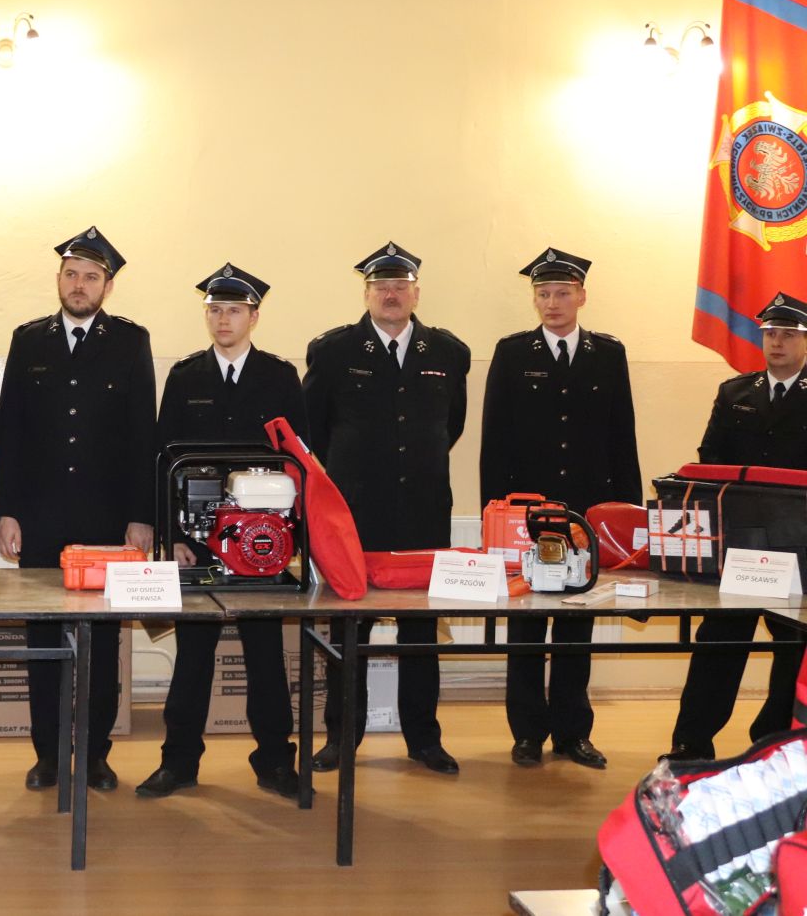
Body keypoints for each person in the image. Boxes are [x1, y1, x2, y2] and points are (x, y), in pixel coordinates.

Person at [135, 263, 309, 800]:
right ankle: (179, 761)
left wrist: (290, 539)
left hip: (262, 539)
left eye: (234, 310)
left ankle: (275, 761)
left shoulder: (279, 377)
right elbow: (164, 459)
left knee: (265, 655)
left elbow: (298, 462)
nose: (223, 319)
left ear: (254, 317)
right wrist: (174, 538)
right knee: (193, 656)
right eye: (214, 310)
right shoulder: (186, 376)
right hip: (198, 537)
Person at [0, 226, 155, 792]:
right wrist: (6, 510)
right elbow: (10, 428)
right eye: (70, 274)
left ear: (107, 285)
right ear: (59, 279)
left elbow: (142, 433)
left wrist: (141, 514)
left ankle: (96, 754)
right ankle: (48, 754)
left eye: (90, 276)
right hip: (40, 516)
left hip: (107, 518)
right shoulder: (28, 339)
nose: (78, 284)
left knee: (103, 644)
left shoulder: (130, 341)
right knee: (43, 641)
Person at [303, 243, 469, 775]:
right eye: (381, 286)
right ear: (367, 293)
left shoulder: (447, 352)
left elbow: (450, 426)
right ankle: (341, 738)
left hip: (423, 511)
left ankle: (423, 739)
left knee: (421, 631)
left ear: (416, 293)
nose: (391, 294)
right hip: (355, 515)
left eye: (400, 286)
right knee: (349, 628)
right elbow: (315, 430)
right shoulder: (333, 351)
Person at [481, 248, 639, 770]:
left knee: (577, 625)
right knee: (526, 626)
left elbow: (622, 437)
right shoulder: (512, 352)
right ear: (535, 299)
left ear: (581, 297)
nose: (553, 303)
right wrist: (492, 514)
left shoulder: (608, 354)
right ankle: (527, 733)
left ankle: (573, 733)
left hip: (587, 514)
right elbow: (494, 440)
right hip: (528, 515)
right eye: (544, 294)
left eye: (563, 293)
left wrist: (626, 517)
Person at [667, 292, 807, 760]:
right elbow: (710, 461)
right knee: (720, 639)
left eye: (788, 334)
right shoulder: (735, 393)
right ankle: (690, 742)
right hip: (742, 544)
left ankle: (775, 740)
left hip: (800, 546)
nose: (777, 343)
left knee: (793, 646)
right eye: (770, 334)